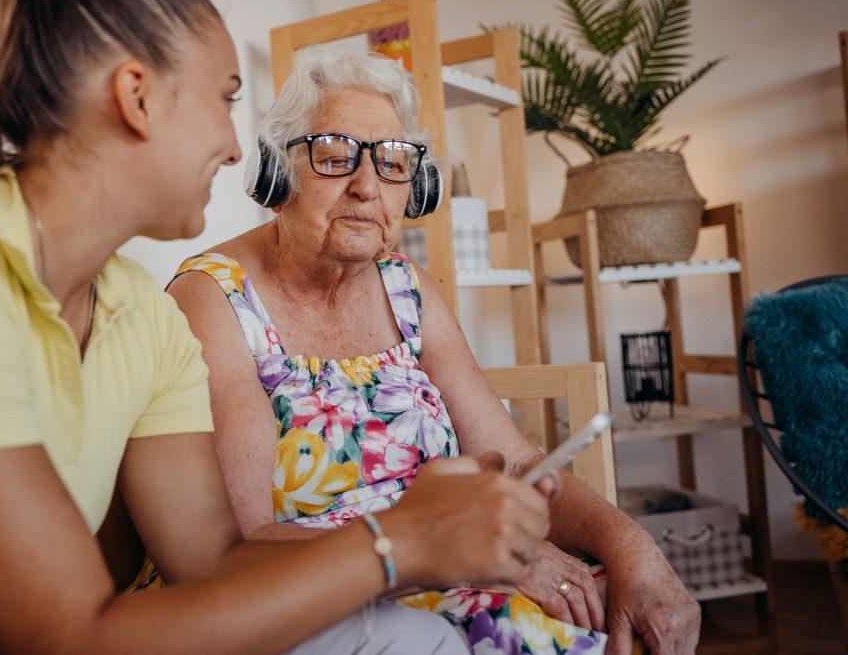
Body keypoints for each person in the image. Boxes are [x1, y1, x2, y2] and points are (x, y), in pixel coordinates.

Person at [0, 0, 559, 653]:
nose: (234, 147)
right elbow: (69, 637)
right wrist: (401, 542)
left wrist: (418, 540)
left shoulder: (144, 317)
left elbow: (212, 563)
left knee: (417, 640)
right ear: (137, 96)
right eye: (225, 99)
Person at [166, 47, 702, 655]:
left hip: (461, 570)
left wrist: (634, 549)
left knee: (621, 617)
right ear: (276, 175)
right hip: (314, 603)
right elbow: (238, 546)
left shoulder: (406, 288)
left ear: (416, 188)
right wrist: (453, 555)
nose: (367, 187)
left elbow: (516, 463)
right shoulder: (216, 299)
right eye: (335, 157)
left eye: (393, 163)